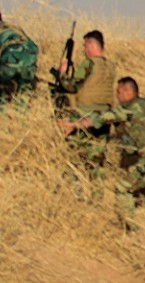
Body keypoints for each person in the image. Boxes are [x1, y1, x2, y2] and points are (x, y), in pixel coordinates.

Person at [59, 77, 145, 231]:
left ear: (128, 92)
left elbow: (103, 118)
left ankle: (130, 232)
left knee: (123, 189)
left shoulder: (130, 108)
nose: (117, 96)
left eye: (119, 92)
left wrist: (74, 125)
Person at [56, 30, 116, 194]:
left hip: (83, 115)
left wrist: (62, 73)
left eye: (84, 45)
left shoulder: (89, 64)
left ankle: (74, 194)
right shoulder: (111, 67)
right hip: (103, 118)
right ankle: (97, 197)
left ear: (91, 45)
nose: (83, 50)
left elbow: (72, 86)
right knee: (97, 163)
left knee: (73, 157)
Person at [0, 8, 39, 107]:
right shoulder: (15, 28)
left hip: (8, 63)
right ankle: (21, 119)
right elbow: (34, 47)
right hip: (29, 63)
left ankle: (2, 116)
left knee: (4, 94)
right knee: (23, 95)